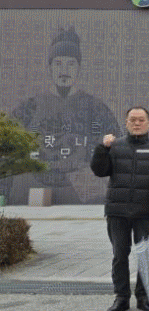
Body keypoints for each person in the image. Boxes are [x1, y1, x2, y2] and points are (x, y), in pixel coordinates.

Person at [13, 26, 120, 204]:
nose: (64, 70)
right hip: (34, 188)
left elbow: (116, 147)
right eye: (58, 64)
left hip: (82, 192)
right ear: (49, 68)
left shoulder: (96, 108)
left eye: (71, 64)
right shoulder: (29, 107)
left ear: (79, 68)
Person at [90, 106, 149, 311]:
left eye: (141, 120)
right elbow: (99, 170)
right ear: (126, 123)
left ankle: (143, 297)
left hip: (146, 212)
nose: (136, 123)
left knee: (146, 256)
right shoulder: (114, 146)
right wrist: (102, 148)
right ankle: (121, 298)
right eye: (132, 119)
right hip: (118, 211)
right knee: (120, 256)